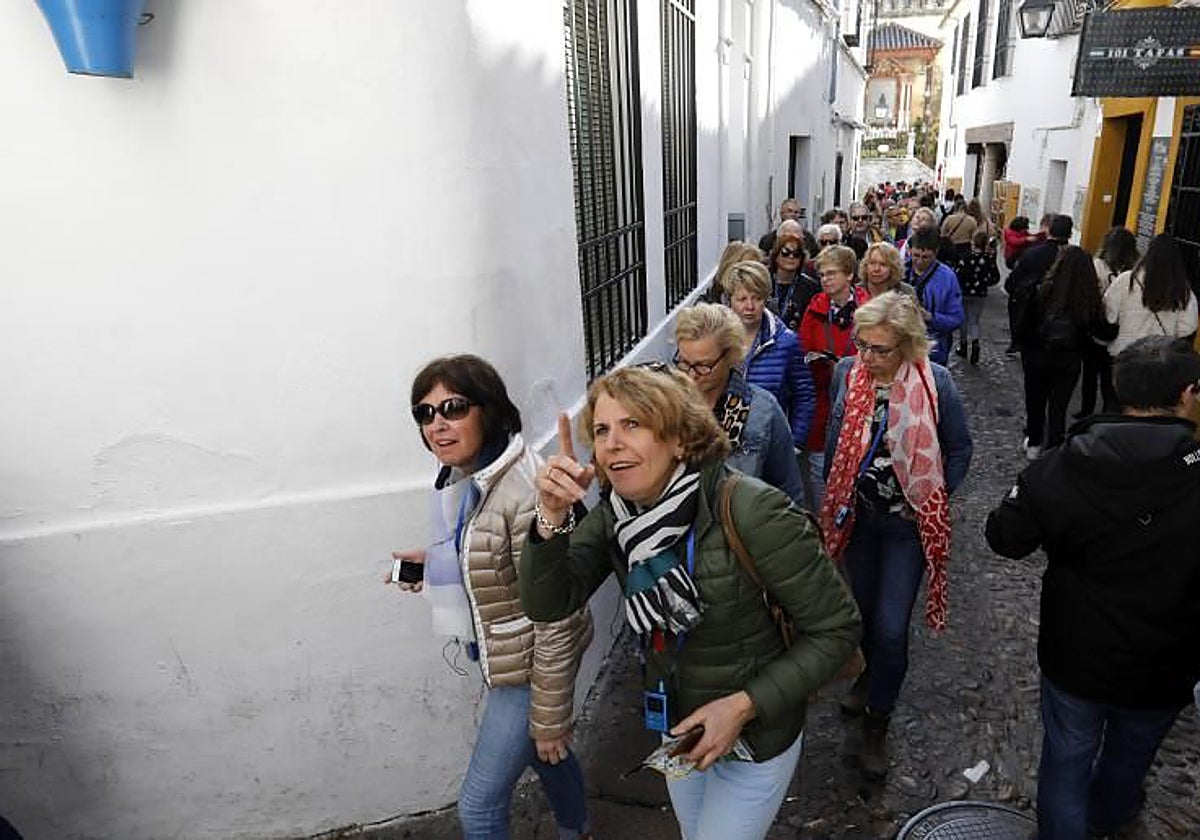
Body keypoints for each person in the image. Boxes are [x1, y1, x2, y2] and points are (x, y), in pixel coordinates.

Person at [520, 366, 862, 840]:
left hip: (755, 736)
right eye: (601, 430)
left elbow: (839, 629)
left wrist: (742, 707)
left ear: (680, 438)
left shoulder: (751, 509)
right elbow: (549, 602)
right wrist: (551, 517)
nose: (612, 442)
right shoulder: (617, 517)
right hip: (679, 729)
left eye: (633, 424)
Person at [985, 336, 1200, 840]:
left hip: (1079, 650)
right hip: (1169, 657)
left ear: (1116, 386)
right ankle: (1110, 816)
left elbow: (1004, 537)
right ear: (1187, 393)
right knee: (1131, 757)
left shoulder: (1063, 463)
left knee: (1067, 759)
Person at [387, 355, 594, 840]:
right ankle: (578, 831)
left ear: (490, 410)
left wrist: (549, 716)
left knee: (478, 806)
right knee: (550, 758)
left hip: (528, 666)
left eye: (453, 408)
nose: (437, 424)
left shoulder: (523, 493)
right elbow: (487, 553)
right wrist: (435, 564)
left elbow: (557, 617)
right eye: (425, 413)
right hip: (510, 656)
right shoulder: (475, 478)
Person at [819, 292, 973, 780]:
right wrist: (833, 495)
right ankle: (867, 679)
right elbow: (835, 437)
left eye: (879, 349)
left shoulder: (936, 382)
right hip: (860, 521)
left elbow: (960, 448)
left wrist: (931, 500)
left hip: (905, 530)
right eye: (862, 345)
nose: (867, 357)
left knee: (890, 628)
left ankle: (877, 724)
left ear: (907, 347)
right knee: (860, 618)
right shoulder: (850, 374)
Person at [674, 303, 803, 504]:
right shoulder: (667, 407)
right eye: (683, 362)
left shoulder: (763, 411)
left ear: (730, 356)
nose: (691, 375)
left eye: (703, 366)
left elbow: (789, 491)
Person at [1014, 246, 1116, 459]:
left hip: (1036, 356)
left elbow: (1024, 324)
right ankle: (1054, 446)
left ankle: (1034, 443)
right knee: (1058, 406)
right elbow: (1104, 331)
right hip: (1068, 360)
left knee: (1035, 401)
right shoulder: (1089, 300)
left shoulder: (1041, 290)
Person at [798, 245, 869, 509]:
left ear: (849, 275)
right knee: (819, 469)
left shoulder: (868, 309)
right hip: (822, 399)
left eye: (831, 273)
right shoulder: (814, 309)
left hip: (858, 401)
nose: (825, 279)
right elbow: (803, 349)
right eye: (822, 274)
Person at [725, 261, 816, 461]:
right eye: (742, 299)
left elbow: (804, 395)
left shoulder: (786, 342)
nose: (749, 306)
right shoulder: (717, 339)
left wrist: (793, 444)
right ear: (729, 300)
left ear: (766, 299)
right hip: (724, 447)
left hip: (769, 449)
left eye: (757, 298)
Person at [1077, 227, 1139, 416]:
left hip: (1098, 328)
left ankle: (1086, 410)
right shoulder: (1134, 271)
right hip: (1122, 329)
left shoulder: (1097, 265)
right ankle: (1107, 410)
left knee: (1090, 372)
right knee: (1109, 374)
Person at [1104, 233, 1199, 358]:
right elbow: (1187, 328)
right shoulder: (1184, 293)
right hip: (1158, 360)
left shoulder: (1126, 280)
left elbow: (1109, 316)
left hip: (1124, 355)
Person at [1006, 214, 1072, 355]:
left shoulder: (1033, 253)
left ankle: (1016, 342)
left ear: (1049, 230)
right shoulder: (1078, 258)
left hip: (1034, 313)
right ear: (1070, 234)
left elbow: (1013, 281)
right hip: (1064, 323)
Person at [904, 227, 966, 366]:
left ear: (936, 253)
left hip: (934, 351)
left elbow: (957, 318)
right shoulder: (901, 272)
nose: (919, 261)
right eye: (915, 255)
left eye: (925, 257)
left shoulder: (948, 277)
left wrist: (930, 317)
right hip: (902, 348)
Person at [954, 229, 1001, 365]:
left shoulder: (966, 257)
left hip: (965, 291)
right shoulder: (988, 259)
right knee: (974, 320)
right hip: (980, 293)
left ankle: (963, 346)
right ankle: (975, 343)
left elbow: (958, 274)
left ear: (973, 242)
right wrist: (984, 282)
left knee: (963, 319)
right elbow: (995, 277)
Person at [766, 233, 820, 331]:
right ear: (776, 254)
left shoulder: (811, 287)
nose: (791, 257)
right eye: (785, 252)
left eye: (796, 254)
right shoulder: (764, 280)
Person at [938, 201, 977, 269]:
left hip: (951, 247)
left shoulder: (949, 219)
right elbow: (974, 238)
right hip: (966, 247)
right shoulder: (972, 220)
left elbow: (942, 234)